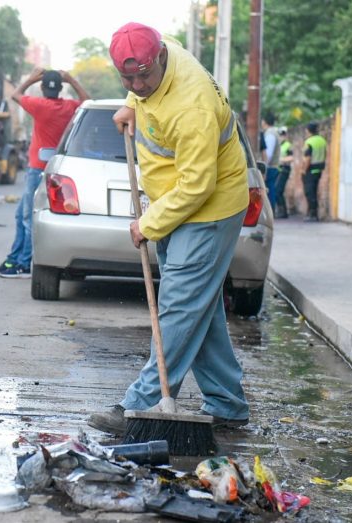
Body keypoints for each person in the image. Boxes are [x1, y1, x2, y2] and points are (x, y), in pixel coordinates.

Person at [87, 22, 250, 435]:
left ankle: (138, 407)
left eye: (144, 75)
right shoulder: (163, 49)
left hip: (209, 209)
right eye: (128, 78)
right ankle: (227, 404)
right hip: (174, 204)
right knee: (200, 308)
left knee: (179, 307)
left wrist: (149, 223)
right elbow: (142, 82)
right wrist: (130, 103)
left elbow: (198, 185)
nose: (139, 84)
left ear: (160, 59)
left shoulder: (191, 105)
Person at [0, 68, 90, 278]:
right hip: (54, 169)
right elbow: (87, 100)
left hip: (37, 169)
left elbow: (15, 94)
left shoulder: (39, 106)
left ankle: (24, 263)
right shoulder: (68, 107)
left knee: (28, 217)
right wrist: (72, 79)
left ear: (43, 88)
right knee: (21, 215)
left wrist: (30, 79)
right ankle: (13, 258)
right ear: (61, 89)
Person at [302, 121, 327, 222]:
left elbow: (308, 158)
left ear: (308, 130)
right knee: (314, 191)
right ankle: (314, 213)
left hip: (310, 169)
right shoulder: (322, 140)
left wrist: (303, 170)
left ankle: (312, 214)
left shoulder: (309, 142)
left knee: (309, 192)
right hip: (319, 169)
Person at [260, 112, 280, 212]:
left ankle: (271, 210)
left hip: (270, 167)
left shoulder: (270, 134)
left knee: (269, 189)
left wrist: (265, 169)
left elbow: (268, 154)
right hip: (272, 166)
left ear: (265, 122)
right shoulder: (272, 132)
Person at [274, 126, 293, 219]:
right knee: (277, 190)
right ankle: (281, 211)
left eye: (283, 135)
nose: (282, 136)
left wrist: (280, 160)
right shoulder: (278, 146)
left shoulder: (288, 145)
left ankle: (283, 212)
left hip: (284, 170)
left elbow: (291, 158)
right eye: (280, 135)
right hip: (278, 170)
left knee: (278, 190)